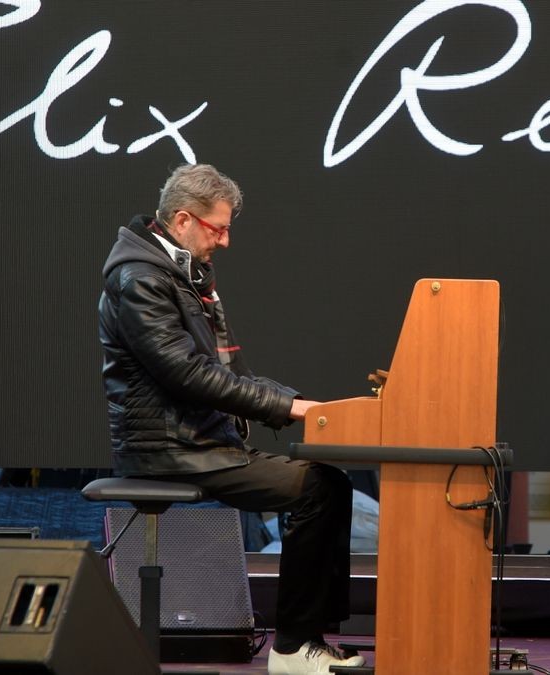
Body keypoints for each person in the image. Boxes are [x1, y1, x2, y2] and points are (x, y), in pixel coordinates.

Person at [98, 164, 364, 675]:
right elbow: (188, 377)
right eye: (217, 228)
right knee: (319, 490)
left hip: (201, 441)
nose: (225, 241)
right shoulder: (139, 279)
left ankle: (309, 638)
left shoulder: (188, 278)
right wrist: (291, 408)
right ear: (183, 220)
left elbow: (233, 372)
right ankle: (292, 648)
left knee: (332, 482)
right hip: (169, 450)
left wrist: (309, 406)